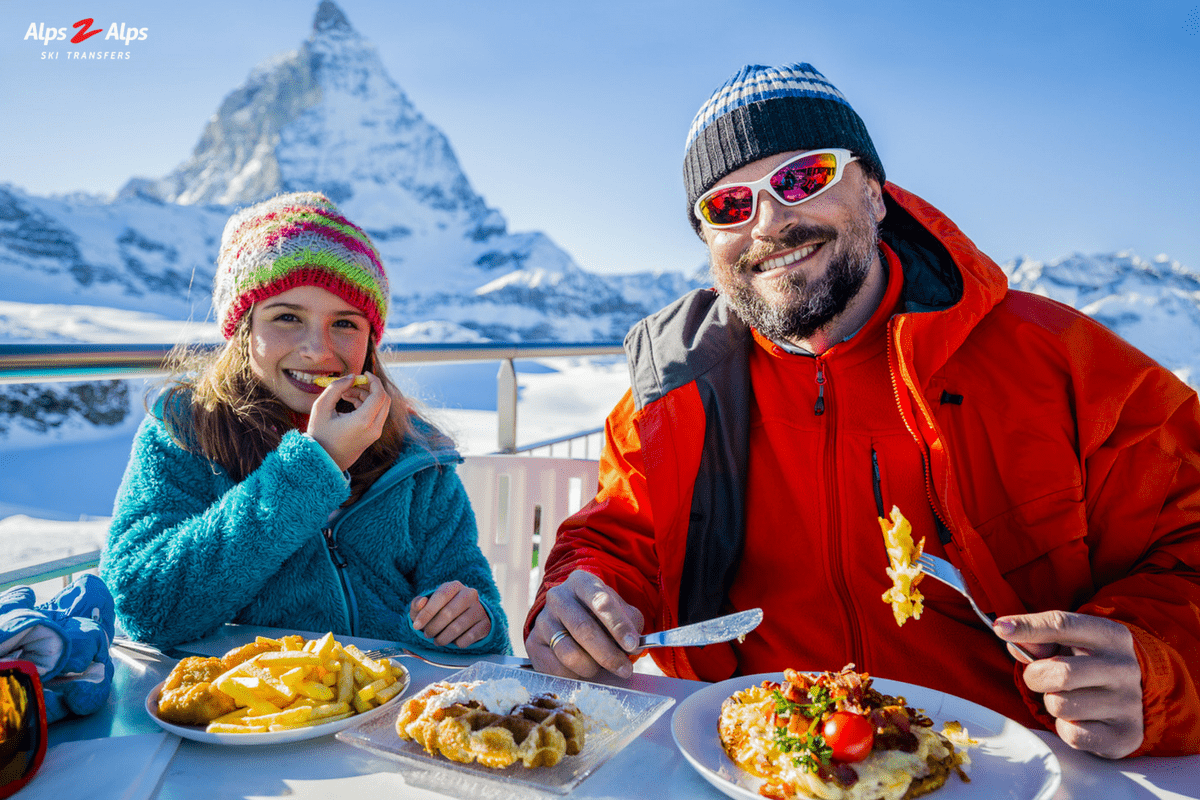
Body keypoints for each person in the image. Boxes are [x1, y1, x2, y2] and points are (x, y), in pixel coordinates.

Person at [524, 63, 1200, 759]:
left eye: (802, 178)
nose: (771, 223)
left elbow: (1189, 539)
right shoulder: (672, 393)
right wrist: (583, 600)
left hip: (1014, 764)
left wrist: (1157, 670)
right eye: (729, 206)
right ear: (708, 242)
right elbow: (619, 540)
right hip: (752, 757)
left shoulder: (1061, 362)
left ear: (875, 194)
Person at [102, 191, 509, 655]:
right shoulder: (183, 435)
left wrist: (474, 622)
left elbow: (477, 608)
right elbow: (143, 605)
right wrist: (315, 466)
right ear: (243, 329)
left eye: (345, 324)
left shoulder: (418, 457)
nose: (318, 350)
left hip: (387, 712)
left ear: (371, 341)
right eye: (287, 317)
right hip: (241, 715)